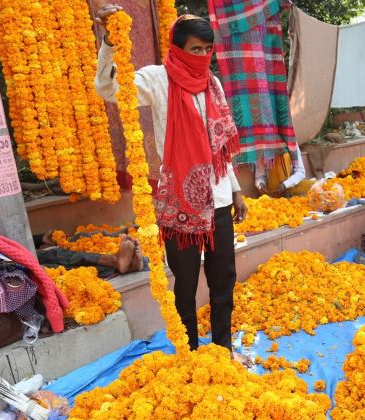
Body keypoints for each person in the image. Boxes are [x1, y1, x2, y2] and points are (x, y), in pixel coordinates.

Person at [95, 7, 251, 364]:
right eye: (195, 49)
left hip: (220, 198)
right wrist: (108, 44)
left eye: (206, 49)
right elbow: (107, 88)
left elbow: (218, 146)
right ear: (178, 48)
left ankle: (223, 348)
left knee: (224, 277)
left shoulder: (213, 84)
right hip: (180, 201)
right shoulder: (157, 79)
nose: (201, 56)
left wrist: (237, 190)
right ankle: (188, 351)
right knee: (184, 282)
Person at [0, 155, 145, 278]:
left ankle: (116, 262)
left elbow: (4, 237)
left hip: (8, 256)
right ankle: (117, 264)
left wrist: (40, 238)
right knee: (47, 270)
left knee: (57, 254)